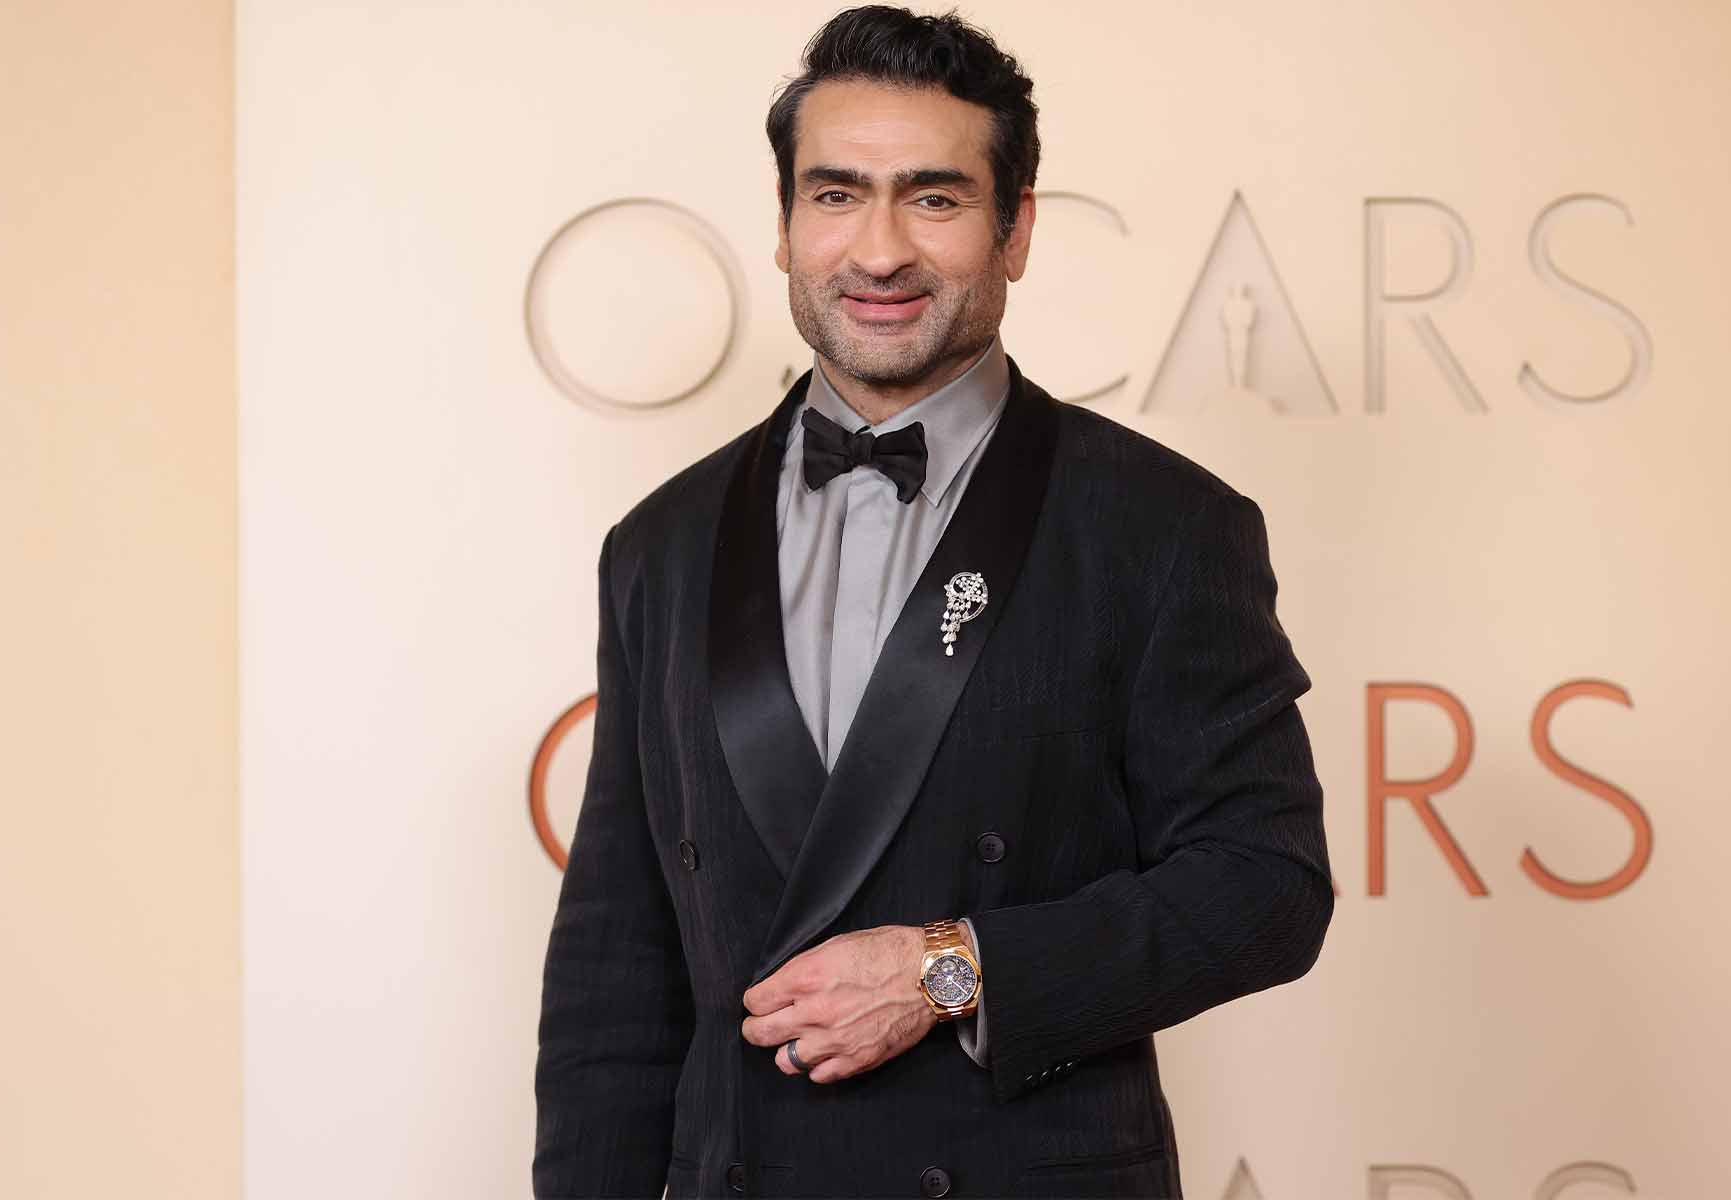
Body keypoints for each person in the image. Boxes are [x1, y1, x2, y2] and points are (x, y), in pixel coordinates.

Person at [532, 7, 1333, 1197]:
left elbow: (1267, 887)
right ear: (786, 224)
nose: (880, 250)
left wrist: (949, 971)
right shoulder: (661, 543)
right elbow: (615, 963)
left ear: (1015, 232)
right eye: (838, 194)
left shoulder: (1159, 525)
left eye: (937, 198)